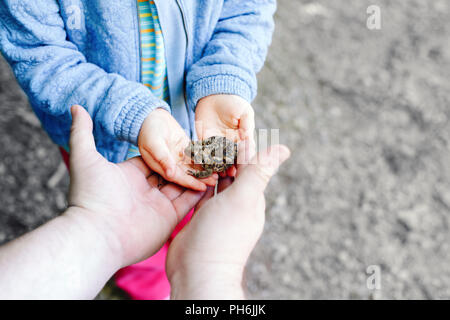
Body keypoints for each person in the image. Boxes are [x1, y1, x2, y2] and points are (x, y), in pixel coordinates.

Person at [0, 0, 276, 299]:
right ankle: (148, 284)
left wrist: (225, 78)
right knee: (135, 225)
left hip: (191, 125)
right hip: (103, 140)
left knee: (192, 207)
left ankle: (181, 269)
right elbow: (41, 56)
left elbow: (246, 10)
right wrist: (133, 112)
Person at [0, 106, 290, 299]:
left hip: (180, 169)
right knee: (158, 241)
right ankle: (150, 287)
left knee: (185, 217)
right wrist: (210, 270)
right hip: (145, 169)